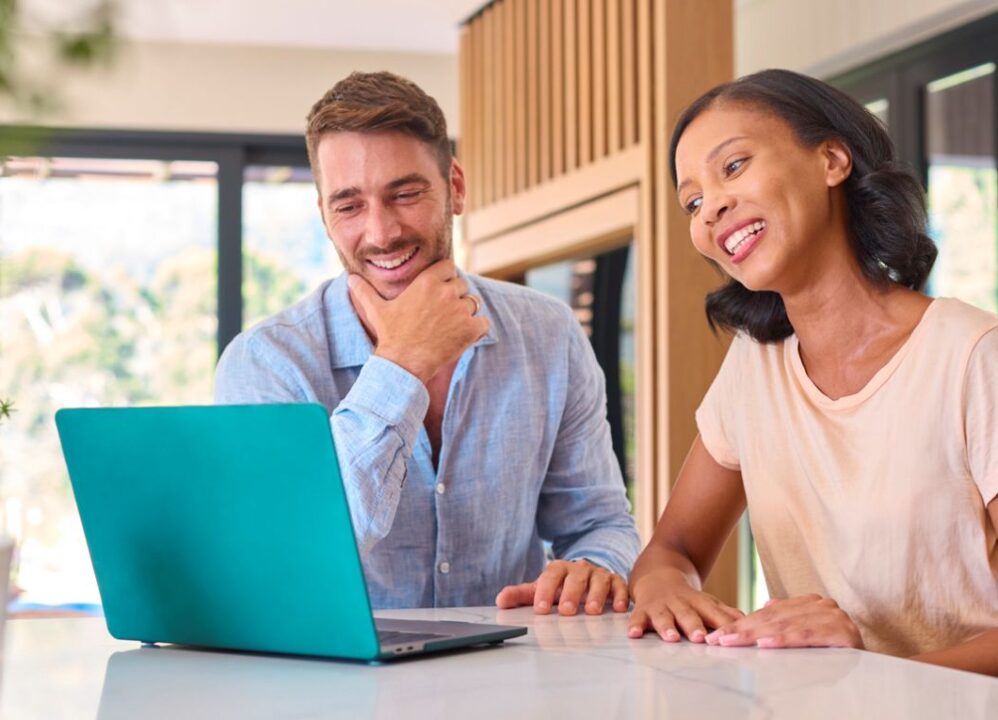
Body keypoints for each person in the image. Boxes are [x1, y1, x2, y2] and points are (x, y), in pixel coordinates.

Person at [214, 71, 639, 614]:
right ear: (324, 215)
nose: (382, 232)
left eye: (405, 194)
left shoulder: (549, 335)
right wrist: (402, 363)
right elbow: (292, 554)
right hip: (334, 689)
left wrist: (595, 568)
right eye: (349, 206)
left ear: (455, 187)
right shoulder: (265, 363)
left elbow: (598, 523)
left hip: (509, 680)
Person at [627, 69, 998, 676]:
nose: (711, 206)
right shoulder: (754, 366)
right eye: (692, 201)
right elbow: (673, 549)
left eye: (734, 166)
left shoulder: (971, 356)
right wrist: (665, 589)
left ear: (831, 159)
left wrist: (870, 667)